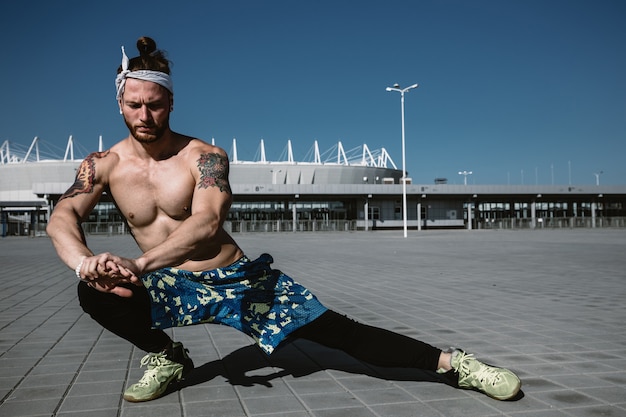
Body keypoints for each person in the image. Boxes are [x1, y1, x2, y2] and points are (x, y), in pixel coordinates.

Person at [47, 36, 521, 403]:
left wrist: (140, 264)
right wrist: (84, 262)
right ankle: (168, 356)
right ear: (120, 104)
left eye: (155, 103)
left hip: (234, 278)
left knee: (340, 333)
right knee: (94, 291)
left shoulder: (205, 157)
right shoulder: (102, 164)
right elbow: (63, 213)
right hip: (165, 279)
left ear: (170, 102)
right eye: (135, 104)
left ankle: (455, 364)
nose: (145, 113)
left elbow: (208, 223)